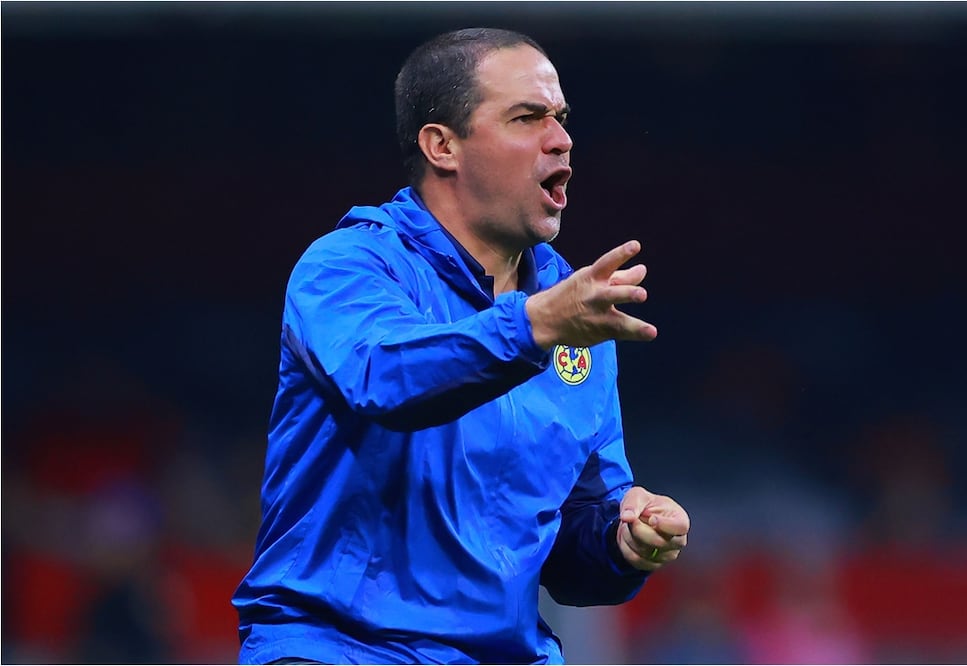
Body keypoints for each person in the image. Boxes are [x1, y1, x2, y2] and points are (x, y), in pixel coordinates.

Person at [232, 27, 690, 665]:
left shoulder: (574, 310)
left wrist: (622, 540)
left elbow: (572, 539)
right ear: (442, 145)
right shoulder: (348, 267)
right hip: (341, 647)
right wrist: (531, 326)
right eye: (527, 118)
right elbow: (382, 379)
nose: (560, 139)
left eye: (560, 119)